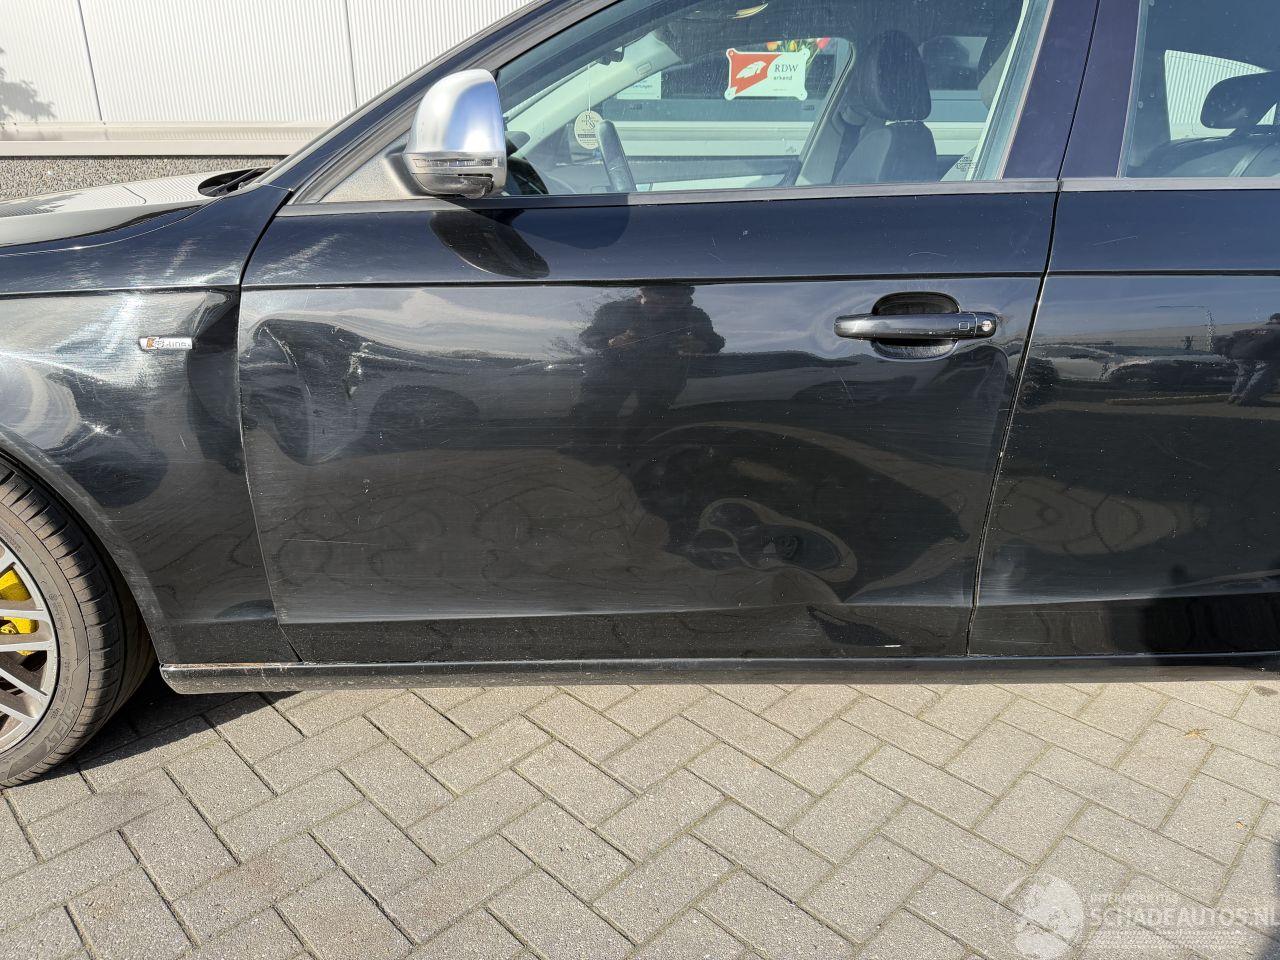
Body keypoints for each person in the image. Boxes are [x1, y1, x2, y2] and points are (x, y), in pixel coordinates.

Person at [1217, 313, 1280, 406]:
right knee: (1262, 375)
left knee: (1244, 374)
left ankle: (1235, 395)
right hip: (1264, 355)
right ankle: (1249, 398)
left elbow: (1230, 337)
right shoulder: (1278, 329)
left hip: (1240, 354)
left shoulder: (1256, 328)